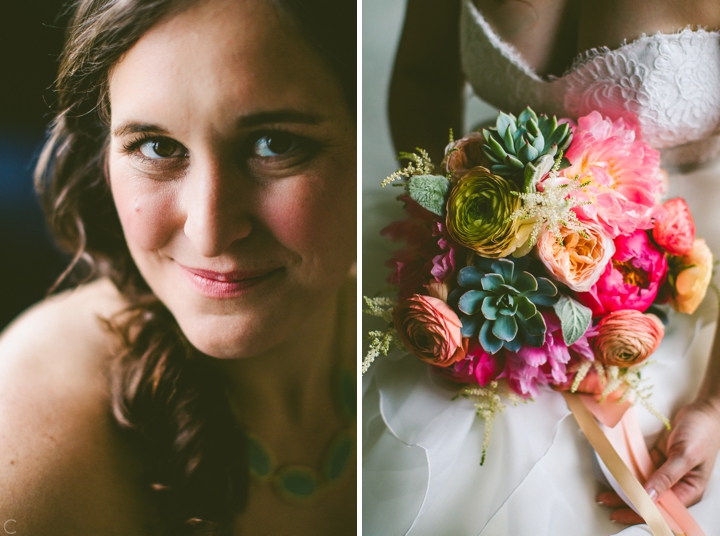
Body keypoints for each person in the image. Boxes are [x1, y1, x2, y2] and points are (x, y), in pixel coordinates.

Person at [363, 0, 720, 534]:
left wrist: (715, 405)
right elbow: (423, 78)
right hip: (474, 269)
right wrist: (460, 238)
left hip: (680, 281)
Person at [0, 0, 356, 534]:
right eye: (158, 146)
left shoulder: (444, 318)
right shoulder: (32, 442)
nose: (208, 232)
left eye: (273, 145)